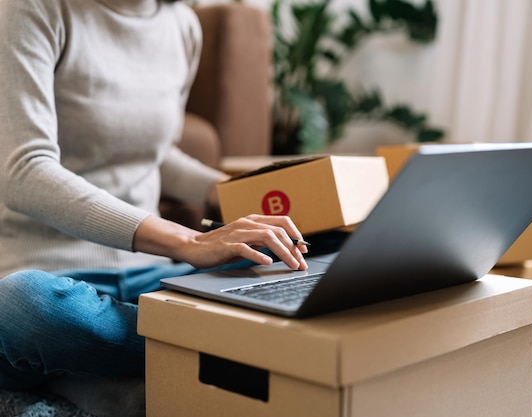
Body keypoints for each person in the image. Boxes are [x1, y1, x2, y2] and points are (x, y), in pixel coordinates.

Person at [0, 0, 308, 415]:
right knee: (21, 305)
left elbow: (157, 154)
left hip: (151, 275)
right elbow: (23, 170)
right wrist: (184, 240)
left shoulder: (182, 26)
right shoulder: (32, 8)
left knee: (283, 253)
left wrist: (232, 194)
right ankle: (226, 347)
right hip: (54, 276)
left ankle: (118, 371)